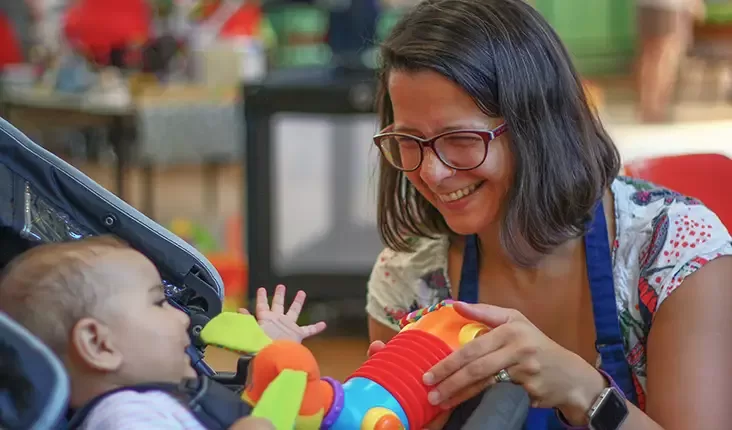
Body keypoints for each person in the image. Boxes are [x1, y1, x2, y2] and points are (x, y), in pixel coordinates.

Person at [365, 0, 732, 429]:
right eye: (409, 139)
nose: (432, 172)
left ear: (538, 125)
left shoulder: (678, 254)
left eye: (461, 138)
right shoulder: (408, 276)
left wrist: (583, 391)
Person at [0, 236, 325, 429]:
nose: (184, 319)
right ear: (99, 344)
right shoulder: (123, 416)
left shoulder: (156, 401)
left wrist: (270, 363)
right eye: (159, 303)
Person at [636, 0, 705, 122]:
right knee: (665, 54)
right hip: (669, 6)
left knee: (650, 54)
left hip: (645, 4)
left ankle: (647, 106)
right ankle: (656, 108)